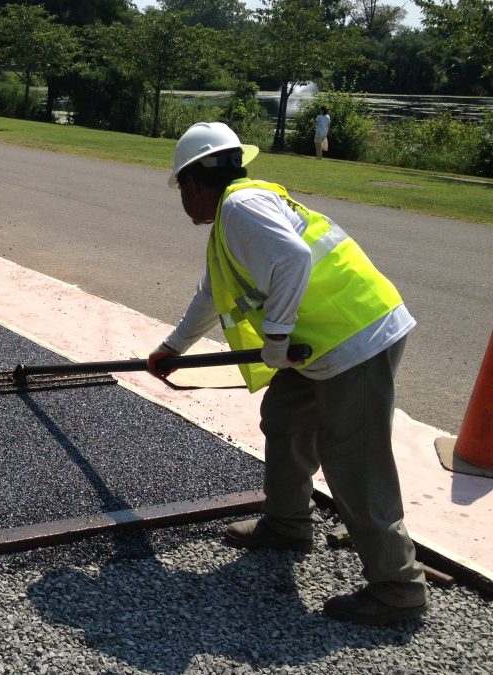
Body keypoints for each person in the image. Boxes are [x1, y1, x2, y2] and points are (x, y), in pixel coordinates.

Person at [147, 122, 426, 625]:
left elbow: (294, 260)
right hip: (323, 341)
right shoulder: (237, 216)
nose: (183, 201)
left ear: (191, 182)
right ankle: (288, 523)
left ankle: (396, 588)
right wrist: (173, 349)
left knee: (354, 460)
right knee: (285, 414)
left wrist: (274, 342)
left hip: (353, 337)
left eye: (181, 190)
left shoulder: (240, 208)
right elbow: (212, 294)